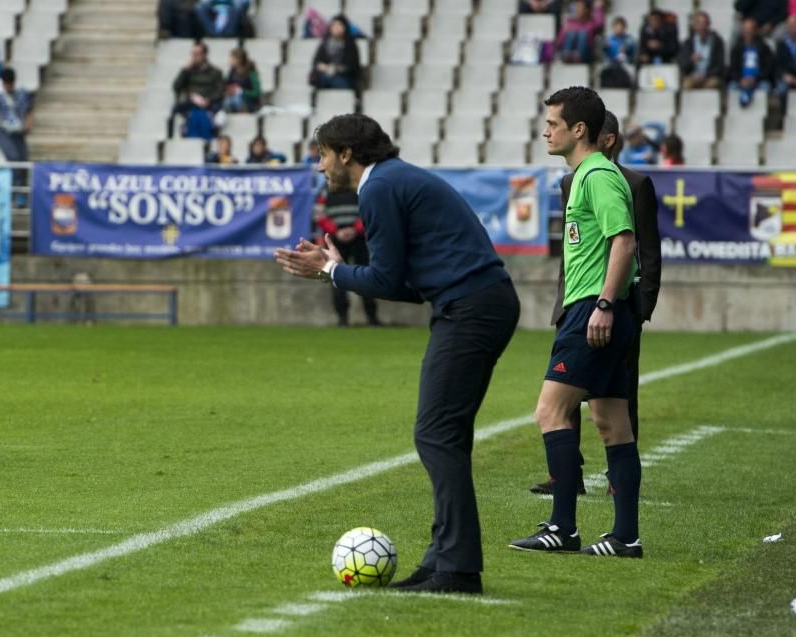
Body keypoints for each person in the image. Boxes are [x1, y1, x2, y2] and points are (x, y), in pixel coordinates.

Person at [275, 114, 520, 593]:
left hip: (471, 308)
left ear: (346, 153)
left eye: (323, 153)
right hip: (477, 303)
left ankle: (458, 569)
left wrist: (329, 272)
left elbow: (386, 280)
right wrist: (342, 270)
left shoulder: (378, 187)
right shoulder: (394, 178)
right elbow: (411, 285)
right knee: (444, 435)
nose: (320, 164)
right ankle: (442, 559)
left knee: (436, 434)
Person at [510, 87, 643, 559]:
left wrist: (604, 305)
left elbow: (624, 242)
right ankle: (626, 536)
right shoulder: (588, 175)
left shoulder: (597, 175)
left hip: (594, 310)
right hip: (601, 310)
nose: (546, 130)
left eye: (553, 122)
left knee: (551, 411)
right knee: (611, 424)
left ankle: (563, 528)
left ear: (579, 129)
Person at [529, 110, 662, 498]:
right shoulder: (571, 180)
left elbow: (639, 247)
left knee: (600, 404)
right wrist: (563, 301)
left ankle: (576, 514)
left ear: (606, 139)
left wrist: (637, 306)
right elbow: (576, 249)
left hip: (607, 304)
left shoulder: (624, 181)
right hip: (578, 304)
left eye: (554, 124)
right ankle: (568, 483)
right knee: (579, 405)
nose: (546, 131)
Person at [312, 183, 381, 327]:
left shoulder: (359, 188)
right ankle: (343, 319)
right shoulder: (326, 190)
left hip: (358, 238)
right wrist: (336, 231)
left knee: (366, 276)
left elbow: (369, 210)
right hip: (335, 240)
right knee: (336, 277)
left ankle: (371, 318)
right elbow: (318, 214)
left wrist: (355, 229)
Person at [0, 67, 33, 206]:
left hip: (18, 132)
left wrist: (28, 126)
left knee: (24, 160)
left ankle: (22, 193)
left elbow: (29, 110)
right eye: (6, 84)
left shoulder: (22, 92)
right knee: (14, 158)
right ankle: (14, 193)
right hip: (1, 131)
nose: (8, 86)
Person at [168, 41, 224, 138]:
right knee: (176, 108)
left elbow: (220, 91)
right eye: (193, 54)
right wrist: (185, 70)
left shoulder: (215, 72)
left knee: (216, 111)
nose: (194, 57)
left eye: (197, 54)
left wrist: (208, 99)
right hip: (191, 101)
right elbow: (176, 87)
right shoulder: (188, 71)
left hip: (208, 103)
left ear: (205, 55)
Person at [728, 17, 775, 108]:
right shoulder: (736, 49)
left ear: (755, 31)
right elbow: (733, 69)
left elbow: (768, 68)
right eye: (746, 30)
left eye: (750, 30)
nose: (748, 33)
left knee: (765, 87)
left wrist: (755, 79)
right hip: (741, 81)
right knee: (732, 87)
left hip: (759, 81)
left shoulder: (764, 48)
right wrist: (740, 80)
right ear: (742, 32)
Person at [310, 15, 361, 90]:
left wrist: (335, 69)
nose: (335, 27)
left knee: (339, 83)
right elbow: (316, 61)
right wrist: (324, 67)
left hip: (344, 77)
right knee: (321, 78)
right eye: (333, 25)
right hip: (325, 75)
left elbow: (352, 67)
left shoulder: (350, 45)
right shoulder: (325, 43)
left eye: (339, 25)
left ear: (344, 27)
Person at [679, 11, 726, 90]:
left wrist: (706, 75)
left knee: (712, 84)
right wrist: (691, 60)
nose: (702, 26)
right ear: (695, 26)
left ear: (708, 24)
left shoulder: (717, 42)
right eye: (699, 23)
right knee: (686, 85)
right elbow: (683, 66)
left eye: (704, 23)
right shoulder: (688, 43)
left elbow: (720, 65)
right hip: (693, 77)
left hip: (710, 77)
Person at [555, 0, 604, 64]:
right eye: (576, 7)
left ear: (586, 10)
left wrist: (598, 8)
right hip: (568, 53)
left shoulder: (591, 23)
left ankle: (578, 56)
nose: (577, 9)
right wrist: (564, 33)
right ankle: (566, 56)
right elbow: (558, 43)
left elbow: (599, 24)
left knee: (582, 34)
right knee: (571, 34)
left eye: (580, 7)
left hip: (585, 54)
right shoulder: (569, 22)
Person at [600, 15, 636, 88]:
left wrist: (626, 49)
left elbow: (631, 51)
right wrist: (605, 48)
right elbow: (604, 54)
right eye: (616, 27)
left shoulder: (629, 39)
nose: (618, 29)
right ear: (613, 27)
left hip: (625, 64)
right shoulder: (608, 40)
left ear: (624, 28)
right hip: (611, 64)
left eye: (620, 27)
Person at [223, 47, 261, 113]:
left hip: (248, 102)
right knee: (226, 100)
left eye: (232, 58)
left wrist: (242, 91)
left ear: (239, 60)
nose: (230, 60)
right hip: (232, 98)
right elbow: (226, 85)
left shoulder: (251, 73)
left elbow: (257, 93)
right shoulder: (232, 72)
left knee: (236, 99)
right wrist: (229, 89)